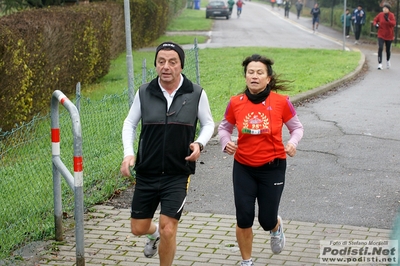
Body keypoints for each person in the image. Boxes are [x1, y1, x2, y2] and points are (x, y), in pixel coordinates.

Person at [120, 41, 215, 266]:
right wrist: (128, 153)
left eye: (172, 62)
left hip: (177, 172)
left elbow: (209, 124)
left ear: (181, 65)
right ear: (155, 65)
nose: (166, 66)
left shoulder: (196, 93)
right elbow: (129, 124)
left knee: (169, 228)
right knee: (138, 228)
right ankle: (153, 235)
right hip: (147, 172)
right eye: (161, 61)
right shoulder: (144, 92)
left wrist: (199, 144)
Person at [218, 54, 304, 266]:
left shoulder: (281, 102)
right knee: (244, 217)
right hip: (243, 168)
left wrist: (293, 143)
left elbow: (297, 128)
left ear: (268, 78)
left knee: (266, 220)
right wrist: (225, 142)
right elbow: (224, 128)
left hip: (272, 167)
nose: (254, 76)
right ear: (245, 76)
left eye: (259, 73)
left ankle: (275, 228)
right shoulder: (235, 103)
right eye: (250, 72)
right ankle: (247, 262)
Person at [373, 3, 396, 70]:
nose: (384, 9)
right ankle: (380, 63)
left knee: (388, 50)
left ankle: (388, 60)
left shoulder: (391, 15)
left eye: (386, 8)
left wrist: (388, 20)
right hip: (381, 34)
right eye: (383, 8)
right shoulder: (380, 14)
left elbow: (393, 24)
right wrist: (376, 24)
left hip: (389, 35)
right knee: (380, 48)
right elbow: (375, 20)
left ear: (388, 9)